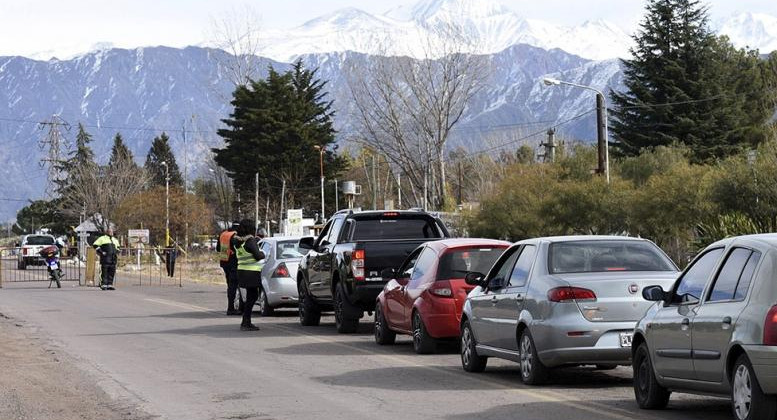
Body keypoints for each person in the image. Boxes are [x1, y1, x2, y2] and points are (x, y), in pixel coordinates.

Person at [233, 219, 265, 331]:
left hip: (241, 271)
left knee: (250, 297)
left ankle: (246, 321)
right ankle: (246, 322)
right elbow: (258, 255)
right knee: (252, 297)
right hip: (251, 272)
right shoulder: (250, 241)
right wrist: (263, 253)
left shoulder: (236, 241)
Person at [217, 222, 243, 315]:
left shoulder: (223, 234)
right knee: (233, 286)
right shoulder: (235, 236)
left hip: (224, 262)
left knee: (230, 285)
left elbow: (218, 249)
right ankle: (231, 308)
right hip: (233, 263)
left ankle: (231, 307)